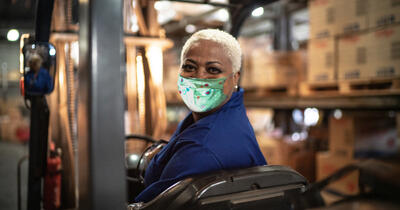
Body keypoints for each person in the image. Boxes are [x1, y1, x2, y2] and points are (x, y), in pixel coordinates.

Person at [135, 29, 267, 203]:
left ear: (235, 78)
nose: (199, 77)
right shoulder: (219, 116)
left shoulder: (202, 147)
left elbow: (150, 205)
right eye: (189, 67)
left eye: (212, 69)